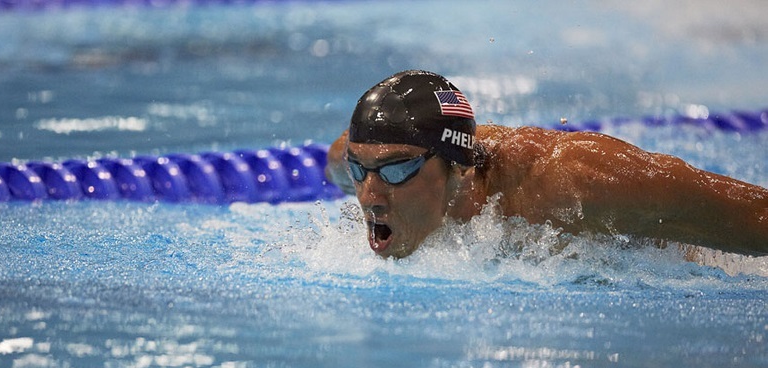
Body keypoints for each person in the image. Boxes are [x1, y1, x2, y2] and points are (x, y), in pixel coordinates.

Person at [326, 70, 768, 259]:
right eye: (360, 171)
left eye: (396, 171)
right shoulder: (360, 158)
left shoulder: (570, 183)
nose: (370, 196)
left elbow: (753, 215)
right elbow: (343, 161)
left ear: (457, 168)